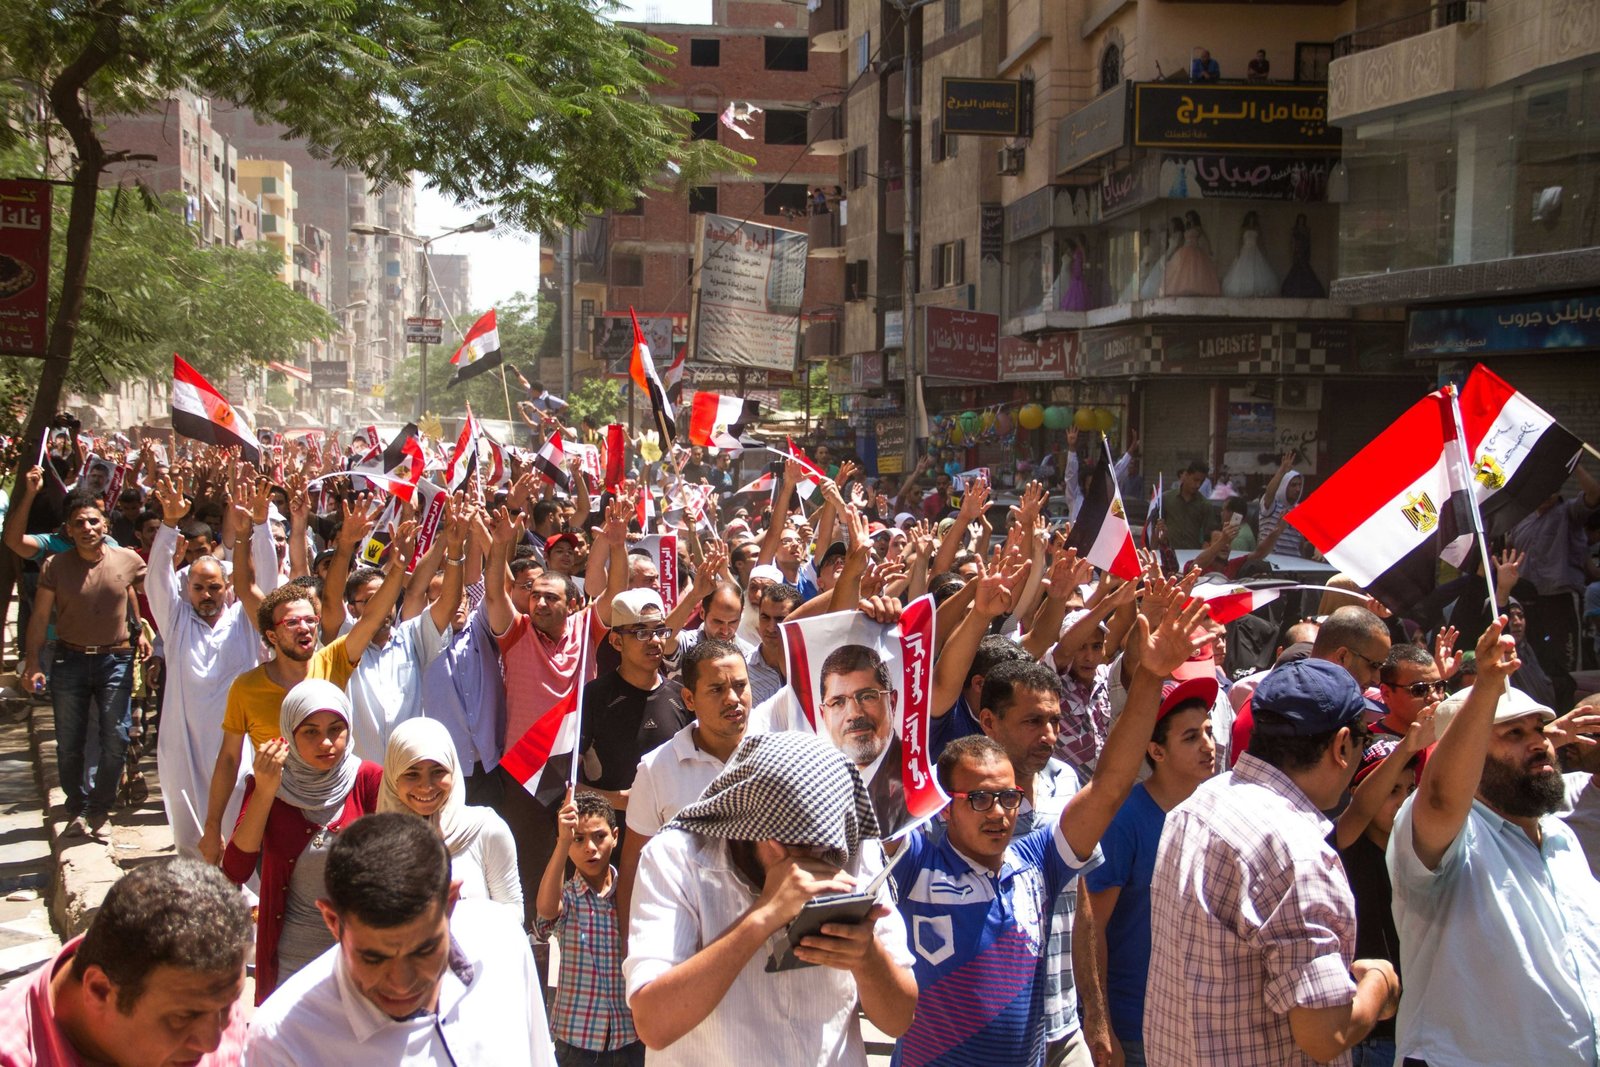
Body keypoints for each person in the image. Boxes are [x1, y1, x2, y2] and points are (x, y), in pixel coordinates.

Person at [884, 593, 1208, 1067]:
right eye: (978, 798)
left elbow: (1111, 786)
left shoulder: (1038, 860)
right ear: (944, 809)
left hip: (1054, 1035)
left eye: (1009, 797)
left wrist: (1152, 676)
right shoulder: (915, 859)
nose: (998, 812)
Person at [1145, 658, 1399, 1065]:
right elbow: (1325, 1033)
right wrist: (1380, 985)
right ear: (1341, 745)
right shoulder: (1297, 850)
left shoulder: (1195, 806)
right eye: (1364, 741)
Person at [624, 731, 916, 1064]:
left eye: (821, 846)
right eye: (793, 842)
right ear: (747, 824)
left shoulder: (849, 851)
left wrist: (868, 958)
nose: (808, 860)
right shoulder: (676, 859)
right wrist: (763, 916)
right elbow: (653, 1024)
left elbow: (899, 1019)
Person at [1387, 622, 1600, 1064]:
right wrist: (1486, 687)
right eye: (1514, 734)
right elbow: (1444, 795)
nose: (1541, 743)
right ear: (1467, 756)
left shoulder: (1560, 836)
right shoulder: (1442, 835)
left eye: (1540, 729)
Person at [244, 813, 555, 1066]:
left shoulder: (501, 938)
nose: (402, 982)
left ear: (450, 902)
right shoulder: (281, 1041)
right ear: (333, 922)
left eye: (424, 950)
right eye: (374, 958)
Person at [0, 858, 253, 1067]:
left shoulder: (212, 996)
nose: (212, 1043)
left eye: (228, 1007)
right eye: (183, 1016)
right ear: (99, 990)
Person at [1083, 677, 1218, 1067]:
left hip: (1202, 1024)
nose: (1208, 745)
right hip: (1137, 1026)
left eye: (1208, 731)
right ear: (1156, 750)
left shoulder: (1216, 810)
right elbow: (1093, 926)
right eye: (1191, 737)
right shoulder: (1125, 821)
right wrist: (1102, 1025)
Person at [142, 472, 279, 856]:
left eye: (214, 587)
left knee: (241, 839)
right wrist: (169, 524)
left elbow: (266, 582)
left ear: (228, 587)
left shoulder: (246, 623)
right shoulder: (176, 621)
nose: (206, 594)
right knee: (191, 843)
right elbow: (156, 580)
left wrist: (261, 523)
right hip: (183, 746)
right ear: (187, 588)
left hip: (238, 748)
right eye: (199, 587)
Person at [222, 679, 384, 1002]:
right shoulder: (267, 783)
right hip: (290, 965)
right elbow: (236, 869)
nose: (326, 742)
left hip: (359, 963)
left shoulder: (368, 780)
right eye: (310, 731)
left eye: (336, 729)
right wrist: (267, 790)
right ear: (289, 734)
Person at [973, 661, 1095, 1067]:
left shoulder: (1067, 784)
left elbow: (1079, 903)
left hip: (1064, 1027)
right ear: (989, 721)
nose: (1049, 736)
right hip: (987, 1035)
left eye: (1055, 721)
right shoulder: (953, 802)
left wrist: (1094, 1012)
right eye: (1033, 721)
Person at [23, 490, 147, 838]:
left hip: (116, 661)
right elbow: (40, 616)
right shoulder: (54, 566)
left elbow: (137, 590)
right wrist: (33, 661)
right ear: (69, 530)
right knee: (69, 741)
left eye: (94, 521)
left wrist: (143, 630)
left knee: (117, 736)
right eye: (79, 523)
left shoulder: (127, 559)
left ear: (105, 525)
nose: (88, 528)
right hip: (69, 659)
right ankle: (77, 806)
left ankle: (99, 808)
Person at [616, 638, 753, 939]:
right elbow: (633, 871)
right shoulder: (656, 770)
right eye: (717, 689)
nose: (733, 699)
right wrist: (632, 959)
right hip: (686, 942)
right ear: (689, 699)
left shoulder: (778, 755)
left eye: (740, 686)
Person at [536, 791, 642, 1067]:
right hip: (577, 1044)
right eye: (578, 840)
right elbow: (547, 910)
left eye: (599, 836)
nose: (590, 848)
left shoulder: (631, 895)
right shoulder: (568, 897)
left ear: (615, 836)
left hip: (629, 1038)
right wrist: (562, 841)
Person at [378, 717, 522, 913]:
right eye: (412, 774)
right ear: (393, 776)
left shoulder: (486, 830)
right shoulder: (377, 845)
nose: (426, 786)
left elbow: (511, 909)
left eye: (438, 771)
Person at [578, 588, 692, 812]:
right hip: (610, 837)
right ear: (616, 642)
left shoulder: (681, 697)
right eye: (641, 633)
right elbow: (563, 784)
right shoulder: (593, 697)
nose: (655, 641)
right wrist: (619, 801)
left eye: (660, 630)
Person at [818, 643, 907, 833]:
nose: (854, 713)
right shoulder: (817, 787)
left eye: (867, 696)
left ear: (892, 702)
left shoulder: (914, 773)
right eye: (838, 702)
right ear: (823, 715)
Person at [1158, 461, 1215, 549]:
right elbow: (1157, 527)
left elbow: (1208, 534)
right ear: (1186, 476)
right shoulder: (1167, 499)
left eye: (1201, 482)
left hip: (1193, 555)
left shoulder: (1204, 505)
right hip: (1170, 553)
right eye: (1195, 480)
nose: (1198, 485)